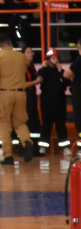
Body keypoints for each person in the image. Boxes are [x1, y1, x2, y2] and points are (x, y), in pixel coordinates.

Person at [0, 32, 32, 164]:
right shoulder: (21, 57)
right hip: (21, 93)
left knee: (4, 123)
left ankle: (8, 156)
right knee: (20, 122)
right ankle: (27, 142)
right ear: (10, 42)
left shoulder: (1, 57)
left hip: (5, 93)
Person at [38, 48, 70, 153]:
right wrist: (45, 67)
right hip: (47, 101)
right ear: (48, 59)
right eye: (52, 58)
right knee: (46, 124)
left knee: (61, 124)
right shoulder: (43, 71)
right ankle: (42, 146)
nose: (55, 60)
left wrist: (61, 72)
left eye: (56, 58)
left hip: (60, 101)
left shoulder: (61, 72)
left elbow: (66, 83)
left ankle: (65, 147)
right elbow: (40, 80)